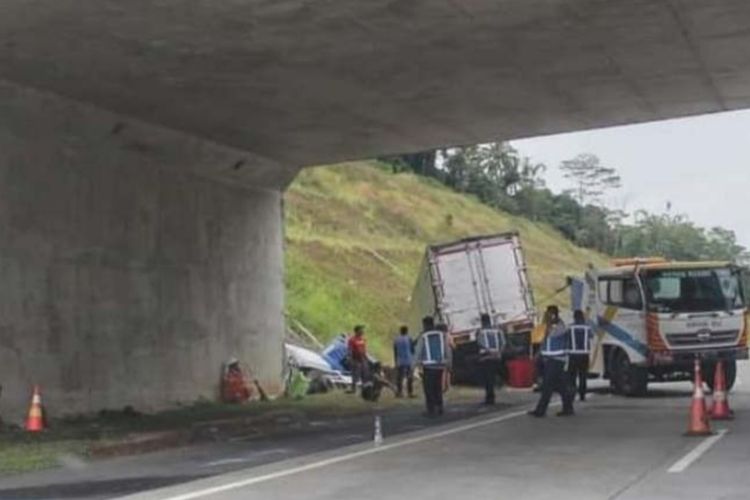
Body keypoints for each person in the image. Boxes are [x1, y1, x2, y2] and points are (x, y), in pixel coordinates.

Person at [528, 305, 574, 417]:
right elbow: (545, 341)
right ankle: (568, 407)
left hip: (557, 360)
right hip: (550, 360)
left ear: (553, 315)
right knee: (560, 386)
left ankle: (540, 411)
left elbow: (551, 335)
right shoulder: (551, 327)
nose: (546, 316)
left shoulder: (561, 327)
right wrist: (539, 354)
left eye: (548, 314)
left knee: (547, 385)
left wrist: (548, 324)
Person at [414, 316, 452, 417]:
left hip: (428, 367)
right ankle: (439, 406)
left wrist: (414, 366)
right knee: (437, 387)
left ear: (425, 325)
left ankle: (431, 409)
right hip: (440, 366)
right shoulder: (442, 335)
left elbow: (418, 352)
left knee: (429, 389)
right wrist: (449, 364)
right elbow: (448, 350)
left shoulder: (423, 336)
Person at [476, 313, 504, 405]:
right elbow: (503, 343)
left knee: (488, 379)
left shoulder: (481, 332)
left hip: (486, 357)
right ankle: (495, 390)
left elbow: (480, 343)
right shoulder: (497, 331)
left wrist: (489, 351)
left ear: (482, 321)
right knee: (492, 376)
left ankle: (490, 398)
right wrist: (499, 352)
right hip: (496, 357)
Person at [567, 309, 593, 401]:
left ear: (574, 317)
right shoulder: (587, 327)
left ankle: (572, 395)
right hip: (584, 354)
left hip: (573, 354)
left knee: (572, 377)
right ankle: (582, 395)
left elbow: (567, 338)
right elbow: (591, 336)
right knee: (583, 375)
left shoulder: (570, 327)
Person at [393, 325, 415, 398]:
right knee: (410, 377)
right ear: (407, 331)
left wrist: (395, 361)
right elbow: (412, 350)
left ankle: (399, 392)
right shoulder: (409, 339)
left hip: (400, 361)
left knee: (400, 377)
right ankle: (410, 393)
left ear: (400, 331)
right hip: (408, 360)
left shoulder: (396, 339)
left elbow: (395, 352)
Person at [347, 325, 369, 394]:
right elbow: (349, 350)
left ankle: (364, 389)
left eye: (363, 330)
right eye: (361, 330)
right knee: (355, 375)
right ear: (357, 331)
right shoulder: (352, 340)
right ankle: (353, 389)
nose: (363, 331)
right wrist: (350, 359)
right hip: (355, 359)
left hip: (363, 359)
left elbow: (364, 350)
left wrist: (366, 358)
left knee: (364, 374)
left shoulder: (363, 339)